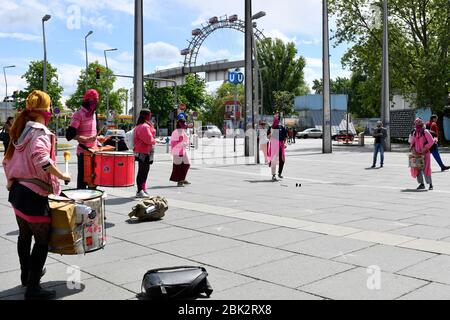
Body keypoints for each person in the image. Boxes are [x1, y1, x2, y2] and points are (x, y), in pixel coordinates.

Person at [2, 90, 71, 299]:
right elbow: (41, 159)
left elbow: (7, 161)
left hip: (18, 192)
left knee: (24, 236)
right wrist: (63, 175)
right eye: (50, 106)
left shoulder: (21, 130)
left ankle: (26, 276)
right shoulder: (39, 131)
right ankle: (33, 288)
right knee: (41, 241)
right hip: (33, 195)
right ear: (46, 109)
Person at [65, 89, 102, 189]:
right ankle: (80, 203)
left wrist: (98, 139)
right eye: (92, 101)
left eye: (96, 101)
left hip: (94, 151)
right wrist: (86, 138)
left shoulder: (94, 114)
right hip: (83, 152)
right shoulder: (78, 114)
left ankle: (92, 203)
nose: (94, 104)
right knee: (82, 181)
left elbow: (94, 132)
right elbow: (69, 135)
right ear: (86, 101)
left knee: (94, 181)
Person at [133, 109, 156, 198]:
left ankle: (142, 189)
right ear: (146, 116)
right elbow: (148, 139)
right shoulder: (144, 126)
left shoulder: (140, 125)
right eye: (150, 115)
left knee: (143, 171)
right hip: (144, 151)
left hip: (142, 151)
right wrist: (154, 140)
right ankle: (139, 191)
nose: (150, 116)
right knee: (143, 172)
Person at [409, 118, 434, 190]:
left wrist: (425, 148)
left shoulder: (425, 131)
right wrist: (412, 149)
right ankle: (421, 184)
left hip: (425, 153)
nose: (417, 125)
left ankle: (430, 184)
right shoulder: (414, 132)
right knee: (417, 169)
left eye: (418, 123)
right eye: (416, 123)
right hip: (416, 153)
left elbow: (431, 141)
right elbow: (412, 142)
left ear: (421, 123)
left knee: (426, 168)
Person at [170, 114, 191, 187]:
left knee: (186, 164)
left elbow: (187, 140)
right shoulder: (176, 132)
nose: (185, 124)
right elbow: (173, 143)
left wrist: (186, 143)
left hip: (183, 150)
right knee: (178, 166)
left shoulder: (182, 131)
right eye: (184, 123)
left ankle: (182, 178)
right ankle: (180, 181)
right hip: (177, 152)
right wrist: (182, 144)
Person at [267, 115, 288, 181]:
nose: (276, 120)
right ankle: (273, 175)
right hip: (274, 143)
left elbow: (285, 137)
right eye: (275, 118)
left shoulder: (282, 127)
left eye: (277, 118)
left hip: (281, 144)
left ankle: (279, 173)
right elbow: (268, 137)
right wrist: (271, 132)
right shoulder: (271, 127)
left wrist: (285, 143)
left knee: (282, 160)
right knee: (274, 160)